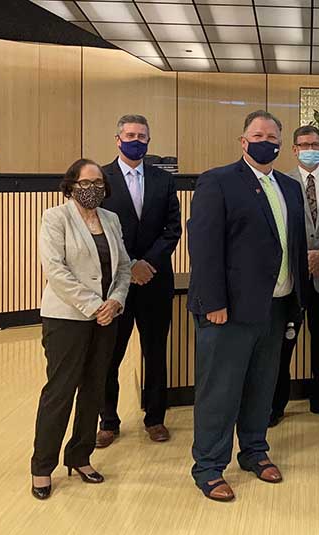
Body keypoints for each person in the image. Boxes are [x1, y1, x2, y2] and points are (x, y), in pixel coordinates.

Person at [187, 110, 309, 502]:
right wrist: (213, 303)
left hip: (275, 307)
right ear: (243, 142)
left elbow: (296, 247)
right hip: (229, 312)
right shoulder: (218, 181)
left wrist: (296, 300)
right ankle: (208, 466)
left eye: (273, 136)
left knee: (261, 386)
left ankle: (255, 451)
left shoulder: (289, 187)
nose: (266, 141)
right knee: (220, 391)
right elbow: (203, 247)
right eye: (258, 134)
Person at [31, 159, 131, 499]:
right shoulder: (55, 218)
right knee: (60, 391)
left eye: (99, 182)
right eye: (86, 183)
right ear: (71, 184)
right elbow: (56, 272)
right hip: (67, 319)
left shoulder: (111, 219)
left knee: (94, 389)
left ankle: (80, 456)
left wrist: (115, 302)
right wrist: (94, 307)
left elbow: (124, 269)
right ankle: (42, 467)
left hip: (107, 318)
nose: (93, 189)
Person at [96, 114, 182, 448]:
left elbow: (172, 228)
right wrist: (129, 266)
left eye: (142, 136)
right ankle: (108, 421)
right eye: (130, 135)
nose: (136, 140)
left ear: (149, 140)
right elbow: (98, 231)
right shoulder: (101, 178)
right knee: (109, 355)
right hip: (114, 285)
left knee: (156, 352)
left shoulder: (164, 180)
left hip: (155, 280)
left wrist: (147, 263)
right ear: (117, 139)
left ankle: (155, 418)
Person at [270, 125, 319, 427]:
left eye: (315, 144)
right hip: (291, 277)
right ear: (294, 149)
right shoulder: (279, 182)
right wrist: (302, 256)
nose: (309, 148)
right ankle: (276, 404)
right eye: (303, 144)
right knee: (282, 345)